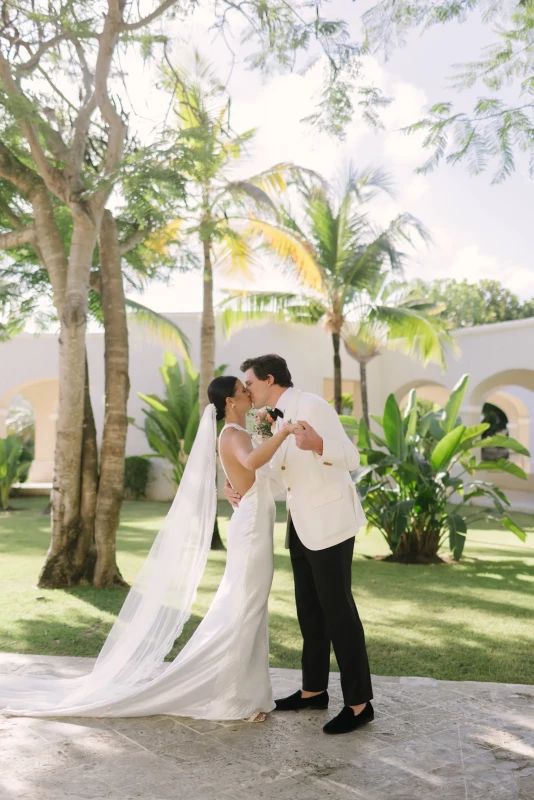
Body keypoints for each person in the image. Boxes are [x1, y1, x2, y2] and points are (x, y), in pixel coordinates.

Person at [0, 376, 299, 722]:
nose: (248, 392)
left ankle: (249, 692)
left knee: (250, 606)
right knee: (245, 607)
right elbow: (248, 463)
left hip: (252, 523)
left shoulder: (236, 434)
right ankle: (233, 699)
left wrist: (243, 477)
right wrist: (282, 434)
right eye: (242, 390)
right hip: (250, 530)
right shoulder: (234, 435)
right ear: (230, 402)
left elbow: (247, 475)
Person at [225, 354, 374, 735]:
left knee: (339, 612)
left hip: (331, 521)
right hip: (300, 523)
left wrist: (319, 443)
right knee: (309, 611)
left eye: (250, 383)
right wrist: (237, 487)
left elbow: (352, 457)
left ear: (269, 379)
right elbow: (276, 477)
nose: (247, 390)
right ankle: (314, 691)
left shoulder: (312, 405)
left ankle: (359, 704)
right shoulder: (267, 420)